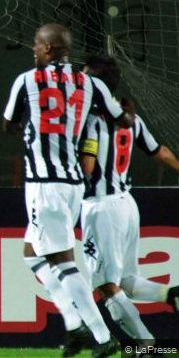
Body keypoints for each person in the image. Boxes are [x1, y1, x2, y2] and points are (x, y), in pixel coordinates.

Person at [2, 23, 135, 358]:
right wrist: (126, 111)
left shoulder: (27, 80)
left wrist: (34, 130)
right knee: (33, 253)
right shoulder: (90, 84)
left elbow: (7, 124)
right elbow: (122, 120)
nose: (33, 49)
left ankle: (102, 336)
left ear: (47, 48)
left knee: (62, 261)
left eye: (36, 44)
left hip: (44, 183)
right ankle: (74, 325)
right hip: (73, 182)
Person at [78, 54, 179, 350]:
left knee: (106, 287)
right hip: (126, 205)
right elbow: (160, 152)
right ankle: (171, 295)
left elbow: (87, 167)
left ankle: (145, 345)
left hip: (101, 208)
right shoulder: (131, 120)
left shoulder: (92, 120)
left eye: (84, 78)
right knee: (127, 281)